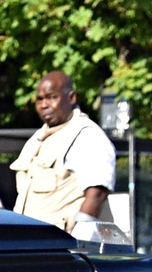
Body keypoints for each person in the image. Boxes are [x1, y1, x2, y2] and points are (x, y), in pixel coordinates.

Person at [7, 70, 117, 237]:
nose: (44, 105)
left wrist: (77, 241)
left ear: (71, 98)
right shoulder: (37, 139)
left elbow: (97, 192)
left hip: (64, 248)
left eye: (52, 97)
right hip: (33, 244)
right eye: (40, 99)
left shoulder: (86, 135)